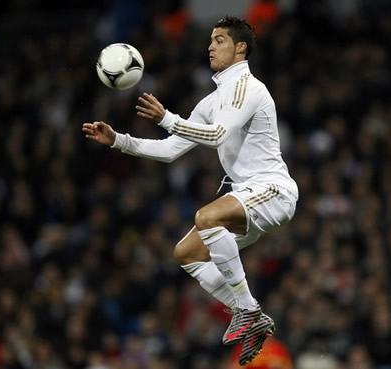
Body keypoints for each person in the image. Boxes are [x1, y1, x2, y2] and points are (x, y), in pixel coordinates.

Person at [82, 16, 298, 365]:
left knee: (206, 216)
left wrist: (167, 116)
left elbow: (216, 137)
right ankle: (251, 315)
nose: (210, 46)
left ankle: (247, 310)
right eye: (210, 40)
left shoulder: (248, 87)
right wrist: (118, 141)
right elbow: (170, 150)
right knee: (186, 253)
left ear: (241, 47)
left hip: (273, 190)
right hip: (247, 197)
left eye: (220, 40)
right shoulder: (211, 101)